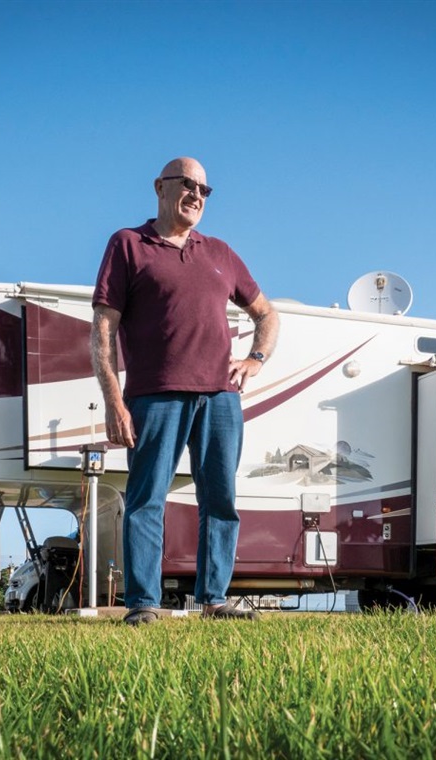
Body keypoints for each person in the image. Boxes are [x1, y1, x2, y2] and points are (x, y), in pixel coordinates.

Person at [91, 157, 279, 626]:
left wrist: (254, 360)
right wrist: (115, 400)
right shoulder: (128, 244)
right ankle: (143, 604)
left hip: (220, 397)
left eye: (205, 190)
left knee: (220, 500)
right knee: (146, 499)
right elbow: (102, 331)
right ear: (160, 186)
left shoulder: (220, 252)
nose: (197, 195)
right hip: (154, 395)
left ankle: (215, 600)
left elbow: (267, 315)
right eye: (188, 185)